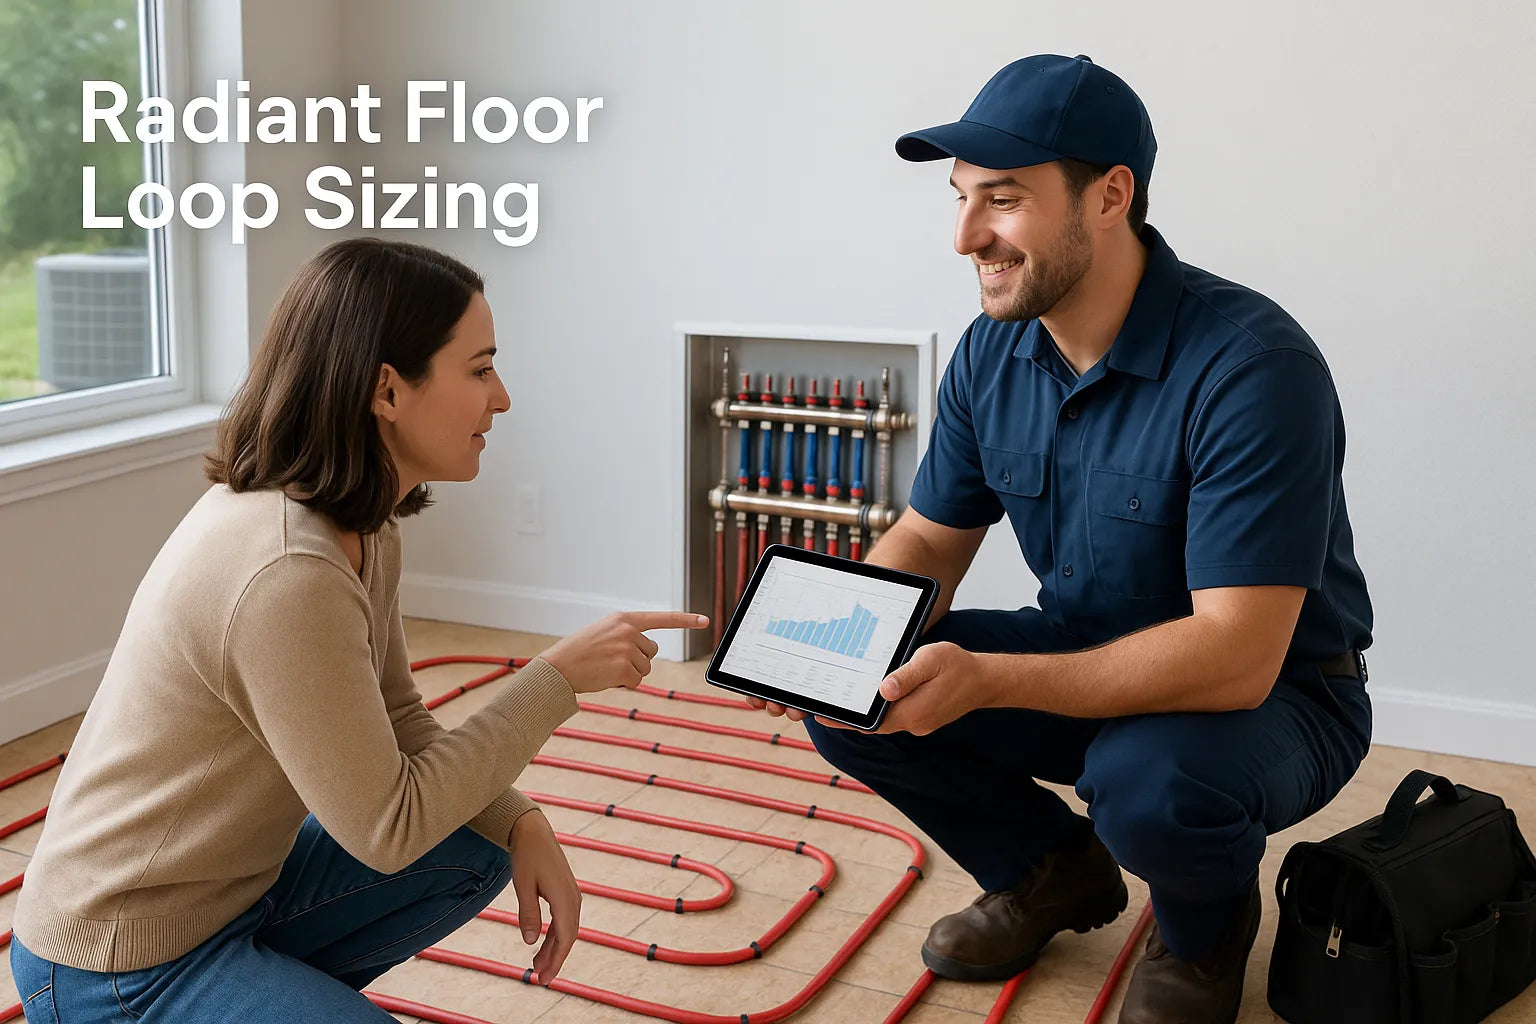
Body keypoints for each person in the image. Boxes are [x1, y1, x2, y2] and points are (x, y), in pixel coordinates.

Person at [747, 54, 1373, 1024]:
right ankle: (1051, 869)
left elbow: (1237, 657)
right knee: (861, 700)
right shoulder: (992, 351)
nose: (966, 236)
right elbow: (929, 537)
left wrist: (991, 679)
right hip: (1086, 648)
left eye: (1001, 200)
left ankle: (1201, 931)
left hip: (1279, 695)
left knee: (1147, 783)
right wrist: (839, 642)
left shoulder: (1254, 368)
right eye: (961, 199)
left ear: (1110, 196)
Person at [8, 238, 708, 1022]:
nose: (503, 398)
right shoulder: (287, 571)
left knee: (478, 840)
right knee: (432, 825)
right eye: (480, 369)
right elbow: (387, 829)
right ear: (387, 390)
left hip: (232, 900)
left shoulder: (362, 523)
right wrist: (555, 680)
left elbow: (400, 718)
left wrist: (522, 820)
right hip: (118, 964)